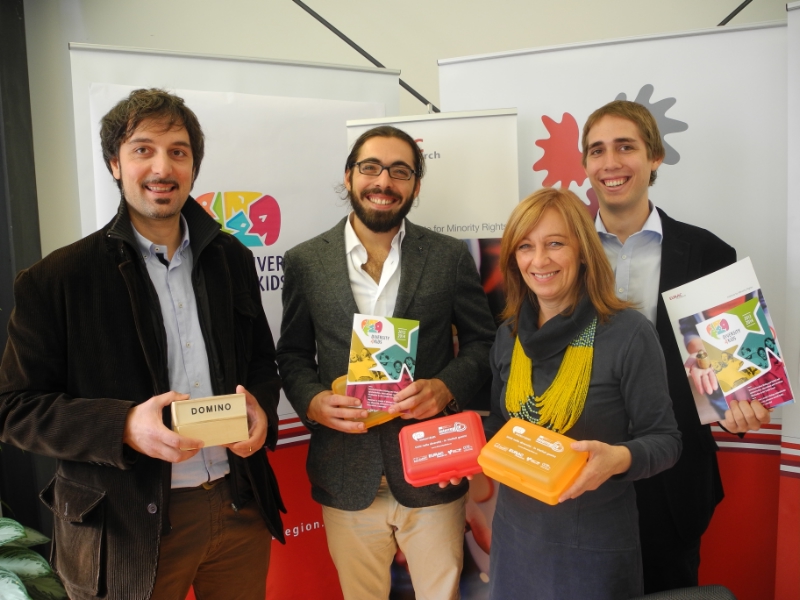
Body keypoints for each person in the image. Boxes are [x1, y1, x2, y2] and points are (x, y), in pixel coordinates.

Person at [0, 89, 285, 600]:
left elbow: (261, 362)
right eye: (142, 150)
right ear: (115, 163)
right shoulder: (57, 279)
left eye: (178, 151)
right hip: (125, 524)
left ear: (193, 166)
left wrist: (261, 408)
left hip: (237, 504)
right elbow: (14, 408)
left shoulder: (232, 260)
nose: (162, 167)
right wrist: (125, 426)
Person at [276, 125, 496, 600]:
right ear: (349, 176)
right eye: (371, 167)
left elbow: (483, 343)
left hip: (432, 468)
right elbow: (292, 355)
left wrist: (445, 387)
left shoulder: (448, 257)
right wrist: (313, 402)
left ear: (415, 185)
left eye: (400, 171)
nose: (384, 182)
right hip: (345, 471)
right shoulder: (306, 261)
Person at [582, 100, 770, 593]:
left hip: (672, 480)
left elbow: (730, 375)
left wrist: (738, 408)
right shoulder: (560, 251)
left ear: (655, 157)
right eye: (597, 150)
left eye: (626, 147)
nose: (611, 162)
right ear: (585, 164)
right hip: (579, 472)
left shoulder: (708, 253)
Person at [486, 187, 681, 599]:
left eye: (555, 244)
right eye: (525, 246)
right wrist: (457, 453)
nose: (539, 260)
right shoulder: (508, 335)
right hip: (515, 538)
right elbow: (503, 427)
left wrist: (619, 458)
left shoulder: (628, 334)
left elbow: (666, 440)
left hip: (592, 546)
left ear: (583, 252)